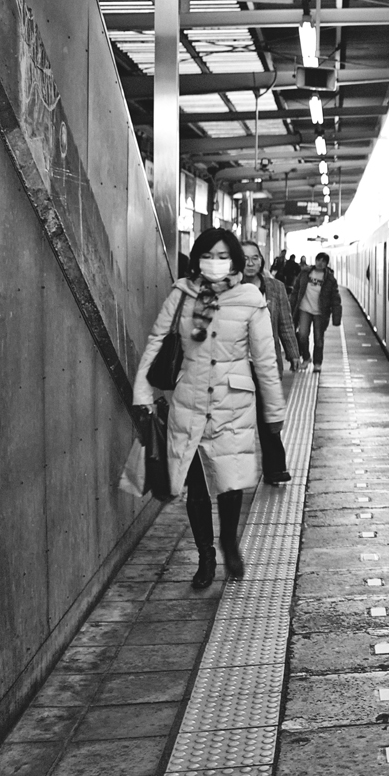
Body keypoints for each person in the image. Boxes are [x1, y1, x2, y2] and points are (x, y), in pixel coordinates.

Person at [133, 228, 285, 589]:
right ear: (197, 259)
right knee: (196, 485)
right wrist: (142, 389)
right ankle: (205, 557)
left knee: (230, 483)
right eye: (207, 256)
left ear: (234, 261)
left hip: (233, 404)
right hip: (189, 400)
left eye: (222, 257)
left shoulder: (251, 298)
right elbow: (157, 339)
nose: (214, 264)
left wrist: (274, 411)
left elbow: (264, 359)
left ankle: (229, 540)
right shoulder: (182, 294)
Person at [242, 239, 300, 485]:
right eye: (244, 258)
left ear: (262, 260)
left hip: (266, 363)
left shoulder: (275, 288)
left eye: (255, 257)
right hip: (237, 365)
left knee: (269, 419)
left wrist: (293, 353)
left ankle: (275, 470)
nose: (250, 262)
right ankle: (238, 474)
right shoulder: (228, 289)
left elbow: (285, 323)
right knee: (239, 422)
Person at [292, 252, 342, 371]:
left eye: (323, 261)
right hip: (304, 309)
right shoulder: (305, 273)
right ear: (315, 260)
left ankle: (317, 363)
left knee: (318, 339)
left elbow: (335, 298)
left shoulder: (330, 279)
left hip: (321, 312)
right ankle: (306, 357)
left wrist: (336, 317)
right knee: (303, 335)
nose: (320, 263)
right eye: (318, 260)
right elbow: (296, 290)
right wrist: (291, 306)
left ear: (326, 264)